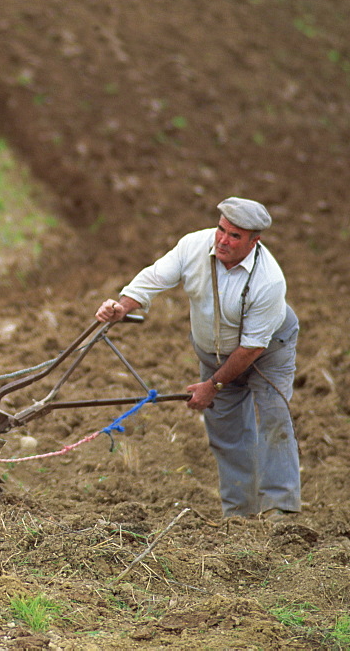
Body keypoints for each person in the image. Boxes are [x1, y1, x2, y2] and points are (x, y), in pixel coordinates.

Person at [95, 197, 300, 521]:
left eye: (234, 236)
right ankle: (240, 514)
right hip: (215, 351)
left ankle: (280, 508)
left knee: (274, 416)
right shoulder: (194, 246)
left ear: (254, 241)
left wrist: (213, 384)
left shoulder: (269, 280)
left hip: (267, 352)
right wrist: (123, 306)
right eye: (222, 230)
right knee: (226, 430)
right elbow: (154, 277)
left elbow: (251, 349)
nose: (222, 240)